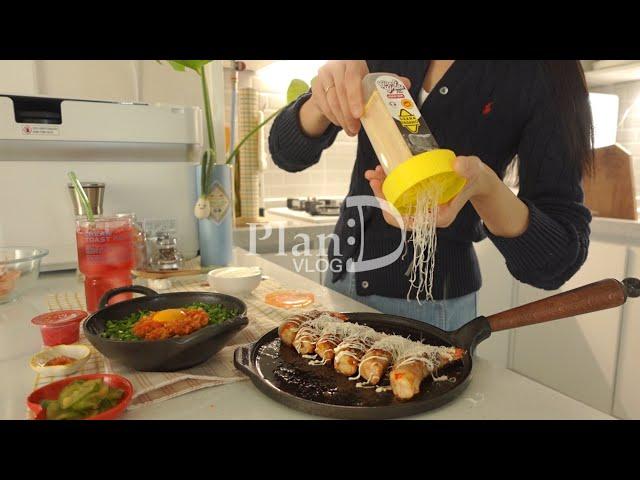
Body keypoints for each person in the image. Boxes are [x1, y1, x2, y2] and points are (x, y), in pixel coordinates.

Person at [268, 60, 593, 331]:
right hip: (340, 281)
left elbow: (558, 259)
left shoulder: (542, 72)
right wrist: (321, 103)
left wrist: (485, 189)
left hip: (434, 309)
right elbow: (286, 152)